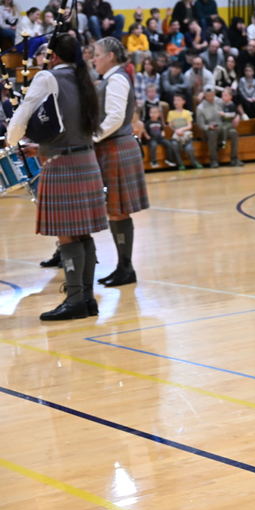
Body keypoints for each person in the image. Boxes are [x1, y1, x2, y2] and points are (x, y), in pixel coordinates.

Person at [7, 33, 106, 320]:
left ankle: (75, 300)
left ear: (53, 56)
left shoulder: (46, 78)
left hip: (62, 164)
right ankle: (86, 298)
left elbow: (21, 118)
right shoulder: (85, 79)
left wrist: (12, 139)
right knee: (82, 232)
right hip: (87, 160)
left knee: (67, 234)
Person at [92, 37, 149, 287]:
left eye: (97, 54)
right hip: (113, 147)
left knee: (118, 210)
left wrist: (90, 138)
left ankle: (126, 268)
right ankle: (123, 267)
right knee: (115, 211)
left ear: (110, 56)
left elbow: (115, 117)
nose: (94, 59)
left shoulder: (116, 79)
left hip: (117, 146)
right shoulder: (111, 78)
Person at [196, 85, 242, 167]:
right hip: (210, 130)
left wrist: (237, 115)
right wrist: (208, 127)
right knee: (213, 133)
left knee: (234, 133)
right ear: (204, 95)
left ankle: (234, 159)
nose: (211, 97)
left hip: (223, 126)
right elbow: (201, 125)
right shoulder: (200, 108)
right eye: (208, 95)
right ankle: (214, 160)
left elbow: (231, 106)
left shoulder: (220, 101)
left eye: (212, 94)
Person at [167, 93, 202, 169]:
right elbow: (170, 126)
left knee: (189, 149)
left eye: (178, 100)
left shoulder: (187, 113)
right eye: (175, 100)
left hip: (185, 135)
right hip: (176, 135)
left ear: (183, 102)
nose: (176, 102)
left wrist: (182, 130)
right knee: (174, 146)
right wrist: (176, 131)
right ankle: (180, 164)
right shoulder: (171, 113)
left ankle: (194, 162)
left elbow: (190, 126)